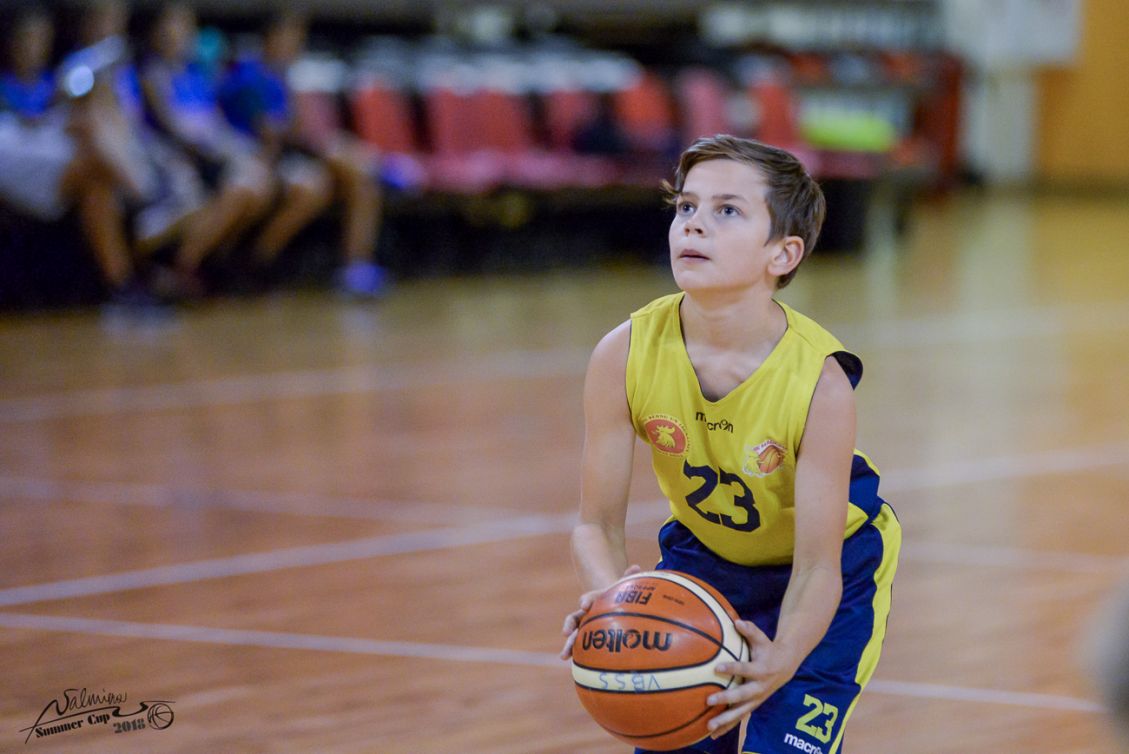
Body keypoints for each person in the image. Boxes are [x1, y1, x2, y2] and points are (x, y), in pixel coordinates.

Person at [561, 135, 900, 754]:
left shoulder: (820, 384)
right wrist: (614, 607)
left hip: (831, 572)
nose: (694, 225)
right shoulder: (623, 353)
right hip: (707, 560)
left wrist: (784, 657)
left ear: (783, 252)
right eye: (686, 206)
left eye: (727, 211)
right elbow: (595, 524)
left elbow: (817, 567)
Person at [0, 5, 159, 310]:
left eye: (42, 39)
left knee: (96, 183)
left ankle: (121, 285)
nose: (35, 47)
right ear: (9, 42)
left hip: (55, 168)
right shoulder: (5, 87)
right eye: (28, 38)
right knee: (93, 161)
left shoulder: (53, 83)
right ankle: (145, 193)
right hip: (14, 168)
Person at [218, 11, 387, 297]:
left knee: (360, 178)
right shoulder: (249, 77)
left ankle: (357, 266)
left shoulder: (281, 76)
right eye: (291, 36)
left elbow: (296, 131)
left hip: (284, 158)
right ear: (270, 37)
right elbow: (274, 137)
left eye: (299, 38)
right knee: (321, 182)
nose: (297, 44)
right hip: (253, 161)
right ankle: (257, 260)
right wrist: (325, 146)